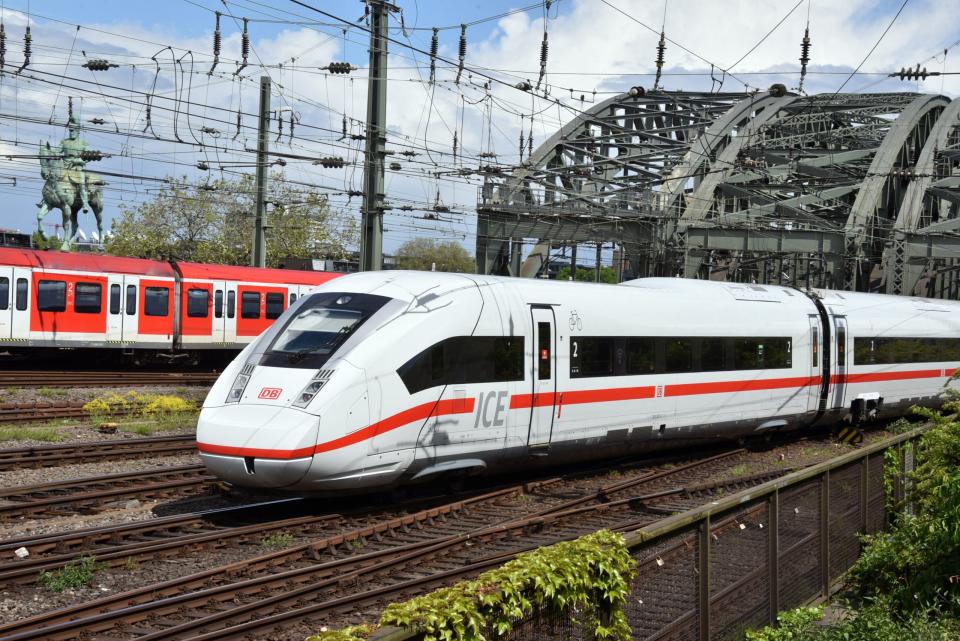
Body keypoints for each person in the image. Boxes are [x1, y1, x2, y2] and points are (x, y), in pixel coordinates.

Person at [59, 114, 90, 212]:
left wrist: (80, 160)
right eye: (70, 130)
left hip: (77, 167)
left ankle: (85, 203)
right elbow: (57, 151)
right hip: (64, 166)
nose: (71, 132)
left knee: (81, 184)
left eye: (73, 130)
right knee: (53, 178)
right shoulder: (64, 142)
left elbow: (89, 156)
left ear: (78, 131)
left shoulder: (83, 143)